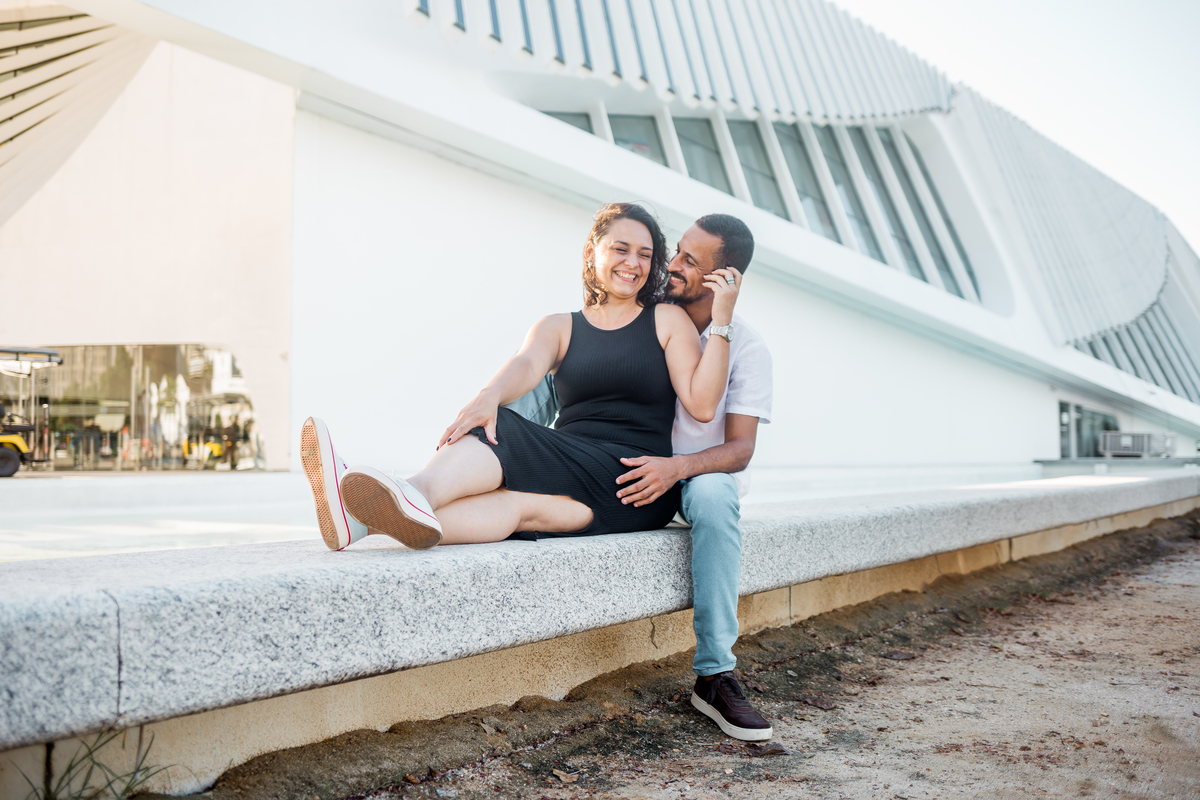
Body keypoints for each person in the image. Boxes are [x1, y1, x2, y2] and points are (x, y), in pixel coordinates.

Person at [300, 202, 742, 553]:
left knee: (504, 427)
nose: (634, 263)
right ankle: (361, 523)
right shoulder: (558, 325)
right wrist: (488, 396)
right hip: (576, 471)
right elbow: (528, 364)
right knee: (515, 505)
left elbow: (703, 405)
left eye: (645, 255)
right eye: (620, 249)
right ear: (593, 251)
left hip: (637, 477)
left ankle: (410, 490)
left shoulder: (666, 319)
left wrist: (721, 317)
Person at [615, 215, 774, 742]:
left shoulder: (747, 348)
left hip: (697, 476)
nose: (671, 266)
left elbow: (740, 450)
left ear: (722, 279)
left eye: (689, 260)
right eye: (676, 253)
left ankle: (714, 674)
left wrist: (680, 467)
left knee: (710, 494)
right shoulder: (652, 316)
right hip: (636, 468)